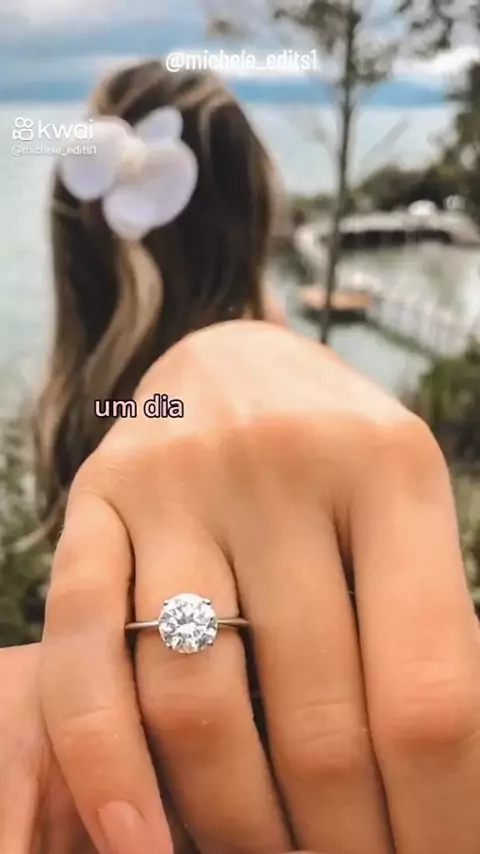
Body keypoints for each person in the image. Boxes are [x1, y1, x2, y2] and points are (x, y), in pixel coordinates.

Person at [1, 60, 480, 854]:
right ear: (256, 214)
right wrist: (238, 348)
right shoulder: (318, 406)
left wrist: (231, 352)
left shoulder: (74, 413)